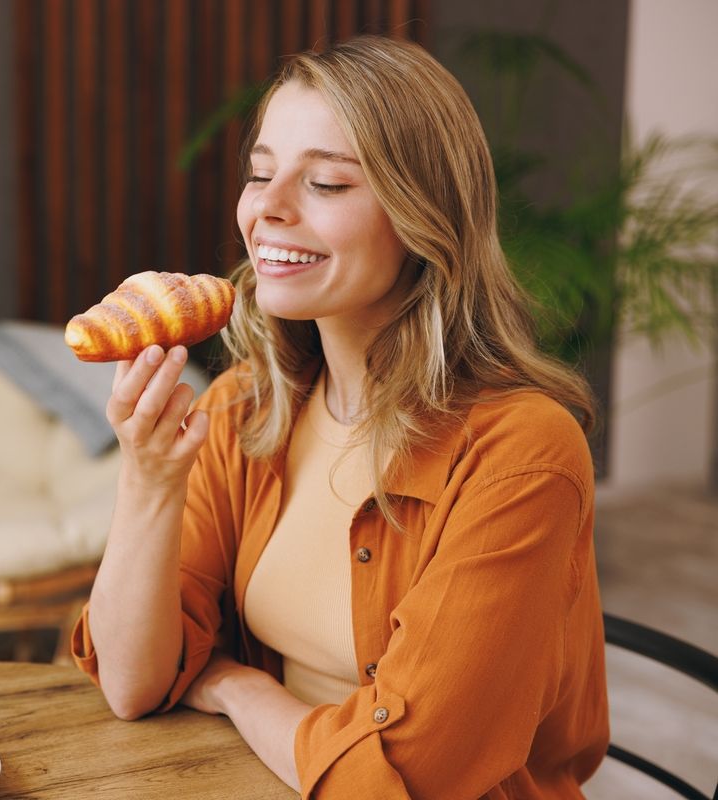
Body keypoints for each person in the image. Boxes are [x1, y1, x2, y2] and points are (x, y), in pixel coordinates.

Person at [70, 35, 609, 799]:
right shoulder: (245, 409)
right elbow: (133, 685)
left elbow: (414, 774)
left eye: (324, 183)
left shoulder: (521, 453)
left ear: (423, 215)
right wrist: (150, 479)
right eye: (259, 173)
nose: (268, 207)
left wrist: (231, 687)